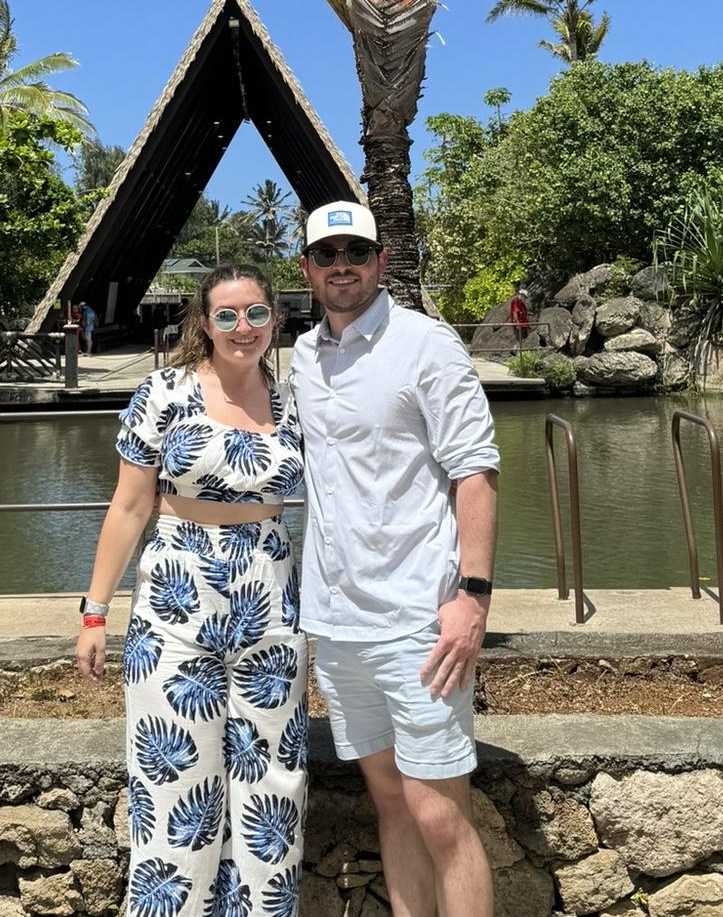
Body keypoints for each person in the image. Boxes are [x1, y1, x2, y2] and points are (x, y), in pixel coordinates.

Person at [291, 202, 500, 917]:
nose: (342, 265)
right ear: (307, 268)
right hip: (337, 622)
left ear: (382, 261)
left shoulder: (425, 344)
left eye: (357, 251)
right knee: (391, 805)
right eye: (327, 254)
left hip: (418, 619)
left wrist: (473, 595)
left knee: (439, 815)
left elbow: (476, 470)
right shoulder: (303, 355)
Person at [77, 263, 306, 917]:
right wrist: (94, 613)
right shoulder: (164, 392)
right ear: (204, 323)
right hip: (177, 595)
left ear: (274, 319)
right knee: (173, 785)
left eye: (255, 313)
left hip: (269, 594)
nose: (242, 328)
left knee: (273, 787)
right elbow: (129, 507)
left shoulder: (295, 402)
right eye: (226, 315)